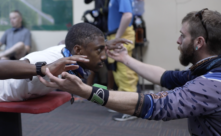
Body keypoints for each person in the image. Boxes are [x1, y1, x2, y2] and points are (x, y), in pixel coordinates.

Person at [39, 9, 221, 135]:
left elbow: (155, 105)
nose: (178, 40)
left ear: (199, 42)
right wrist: (126, 59)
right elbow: (164, 76)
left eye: (183, 35)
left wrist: (86, 92)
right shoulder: (208, 71)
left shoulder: (211, 84)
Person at [0, 23, 131, 103]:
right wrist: (43, 69)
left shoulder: (68, 52)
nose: (103, 56)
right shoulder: (51, 60)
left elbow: (66, 40)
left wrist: (103, 43)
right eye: (99, 51)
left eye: (103, 50)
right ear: (78, 50)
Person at [105, 0, 139, 121]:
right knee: (119, 70)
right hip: (117, 33)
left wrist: (118, 37)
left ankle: (132, 109)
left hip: (121, 34)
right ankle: (124, 104)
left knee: (125, 71)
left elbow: (128, 15)